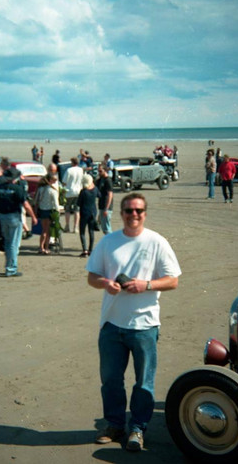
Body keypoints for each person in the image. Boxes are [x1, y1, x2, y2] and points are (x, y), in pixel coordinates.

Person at [86, 192, 181, 451]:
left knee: (144, 383)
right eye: (128, 210)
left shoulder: (157, 242)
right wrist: (106, 283)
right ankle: (115, 425)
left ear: (145, 213)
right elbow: (92, 276)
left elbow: (173, 279)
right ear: (122, 214)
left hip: (144, 326)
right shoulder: (108, 242)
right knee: (111, 380)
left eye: (138, 210)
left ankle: (137, 429)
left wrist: (146, 284)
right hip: (112, 325)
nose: (133, 215)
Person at [0, 167, 37, 277]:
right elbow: (26, 204)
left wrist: (0, 208)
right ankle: (11, 269)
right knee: (14, 243)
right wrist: (33, 217)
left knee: (7, 242)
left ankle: (9, 265)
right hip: (14, 216)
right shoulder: (17, 189)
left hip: (3, 216)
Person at [34, 173, 60, 254]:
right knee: (47, 231)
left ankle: (41, 247)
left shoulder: (41, 189)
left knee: (43, 230)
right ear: (50, 180)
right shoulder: (53, 191)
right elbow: (56, 204)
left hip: (41, 210)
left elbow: (36, 200)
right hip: (49, 211)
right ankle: (46, 247)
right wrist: (58, 211)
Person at [77, 174, 100, 257]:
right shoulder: (95, 189)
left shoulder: (83, 191)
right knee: (91, 231)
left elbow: (78, 203)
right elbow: (99, 195)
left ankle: (85, 250)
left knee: (82, 232)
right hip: (93, 212)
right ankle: (90, 250)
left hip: (84, 212)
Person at [62, 157, 83, 233]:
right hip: (78, 191)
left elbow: (64, 182)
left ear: (72, 162)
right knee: (76, 210)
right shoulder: (81, 170)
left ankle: (67, 225)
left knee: (67, 209)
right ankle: (75, 227)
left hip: (69, 192)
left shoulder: (69, 170)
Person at [96, 164, 113, 234]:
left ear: (105, 170)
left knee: (106, 228)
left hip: (106, 207)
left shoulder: (108, 180)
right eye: (98, 171)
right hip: (101, 206)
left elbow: (110, 195)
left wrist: (107, 208)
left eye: (100, 171)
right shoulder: (100, 180)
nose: (99, 173)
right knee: (103, 227)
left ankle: (111, 243)